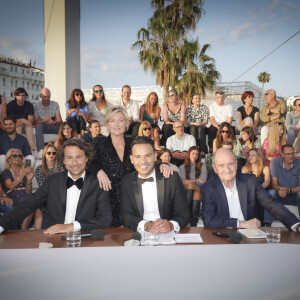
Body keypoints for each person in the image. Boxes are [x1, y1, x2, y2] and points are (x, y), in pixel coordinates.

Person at [0, 138, 112, 234]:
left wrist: (72, 226)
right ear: (63, 160)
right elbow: (28, 205)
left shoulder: (98, 183)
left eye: (79, 157)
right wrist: (2, 225)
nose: (74, 163)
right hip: (55, 240)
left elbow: (106, 219)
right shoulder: (52, 181)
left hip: (86, 240)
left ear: (86, 159)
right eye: (69, 158)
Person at [90, 106, 171, 227]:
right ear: (107, 124)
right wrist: (98, 171)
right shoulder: (98, 143)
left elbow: (146, 159)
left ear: (127, 123)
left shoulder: (134, 142)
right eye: (112, 121)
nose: (117, 124)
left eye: (121, 120)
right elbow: (87, 163)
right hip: (108, 200)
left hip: (134, 199)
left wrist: (162, 165)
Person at [201, 148, 300, 231]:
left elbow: (271, 204)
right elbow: (209, 220)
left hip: (249, 236)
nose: (227, 170)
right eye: (221, 165)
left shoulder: (250, 181)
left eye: (230, 164)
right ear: (214, 168)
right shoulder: (208, 188)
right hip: (222, 235)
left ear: (236, 164)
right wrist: (241, 224)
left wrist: (295, 224)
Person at [120, 137, 189, 233]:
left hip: (168, 235)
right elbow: (125, 215)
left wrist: (170, 225)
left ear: (155, 156)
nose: (143, 161)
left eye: (147, 155)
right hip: (139, 234)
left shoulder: (171, 178)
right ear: (131, 159)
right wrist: (147, 225)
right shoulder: (127, 181)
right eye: (137, 156)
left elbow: (184, 215)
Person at [1, 149, 41, 230]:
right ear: (9, 159)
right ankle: (23, 230)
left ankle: (33, 231)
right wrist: (22, 174)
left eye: (19, 156)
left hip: (25, 195)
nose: (17, 157)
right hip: (13, 195)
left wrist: (29, 180)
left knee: (36, 203)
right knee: (30, 204)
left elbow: (28, 191)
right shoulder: (6, 172)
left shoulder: (24, 170)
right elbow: (11, 186)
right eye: (14, 156)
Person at [264, 144, 300, 225]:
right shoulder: (275, 162)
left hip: (294, 195)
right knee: (271, 193)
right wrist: (280, 189)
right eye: (288, 154)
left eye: (292, 153)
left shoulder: (299, 162)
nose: (291, 156)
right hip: (280, 194)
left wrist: (289, 190)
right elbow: (274, 184)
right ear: (282, 154)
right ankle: (267, 224)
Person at [179, 146, 207, 226]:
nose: (195, 156)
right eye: (193, 153)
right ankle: (194, 221)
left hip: (201, 191)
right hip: (187, 192)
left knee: (191, 185)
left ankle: (185, 213)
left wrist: (192, 181)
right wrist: (197, 180)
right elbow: (183, 182)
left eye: (197, 154)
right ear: (189, 154)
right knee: (196, 193)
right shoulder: (182, 167)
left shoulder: (202, 165)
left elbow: (203, 181)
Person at [34, 88, 62, 158]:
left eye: (48, 96)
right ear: (40, 96)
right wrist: (44, 120)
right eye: (44, 97)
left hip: (53, 126)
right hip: (43, 127)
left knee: (64, 126)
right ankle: (41, 150)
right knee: (38, 125)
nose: (47, 98)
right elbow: (35, 121)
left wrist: (55, 122)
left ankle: (65, 147)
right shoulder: (36, 105)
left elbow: (59, 120)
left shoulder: (55, 104)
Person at [7, 88, 36, 152]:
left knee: (29, 126)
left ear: (25, 96)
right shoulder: (11, 105)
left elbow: (31, 120)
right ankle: (18, 149)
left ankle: (31, 150)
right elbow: (10, 120)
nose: (21, 97)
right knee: (17, 126)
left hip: (25, 124)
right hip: (15, 124)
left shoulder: (29, 105)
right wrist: (22, 119)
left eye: (23, 95)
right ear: (15, 96)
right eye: (19, 95)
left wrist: (22, 121)